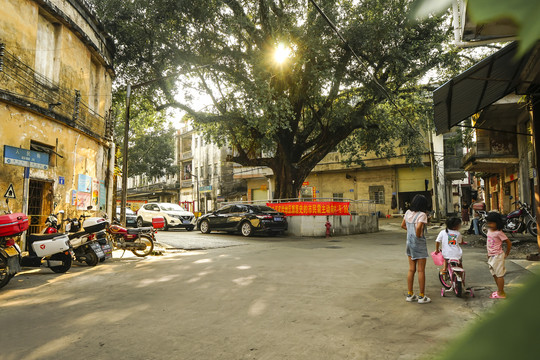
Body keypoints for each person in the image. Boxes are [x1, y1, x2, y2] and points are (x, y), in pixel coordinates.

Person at [401, 194, 431, 304]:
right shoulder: (422, 215)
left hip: (409, 243)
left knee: (411, 269)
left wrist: (411, 233)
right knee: (421, 270)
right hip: (418, 244)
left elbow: (403, 225)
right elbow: (418, 227)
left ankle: (410, 294)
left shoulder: (408, 212)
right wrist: (418, 235)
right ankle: (421, 296)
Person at [485, 212, 512, 299]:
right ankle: (500, 290)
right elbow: (489, 243)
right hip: (491, 255)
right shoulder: (489, 230)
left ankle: (501, 293)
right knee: (494, 274)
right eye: (489, 223)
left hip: (497, 256)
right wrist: (488, 254)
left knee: (499, 274)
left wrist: (507, 252)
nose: (490, 225)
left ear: (497, 223)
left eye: (492, 223)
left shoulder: (498, 232)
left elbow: (508, 242)